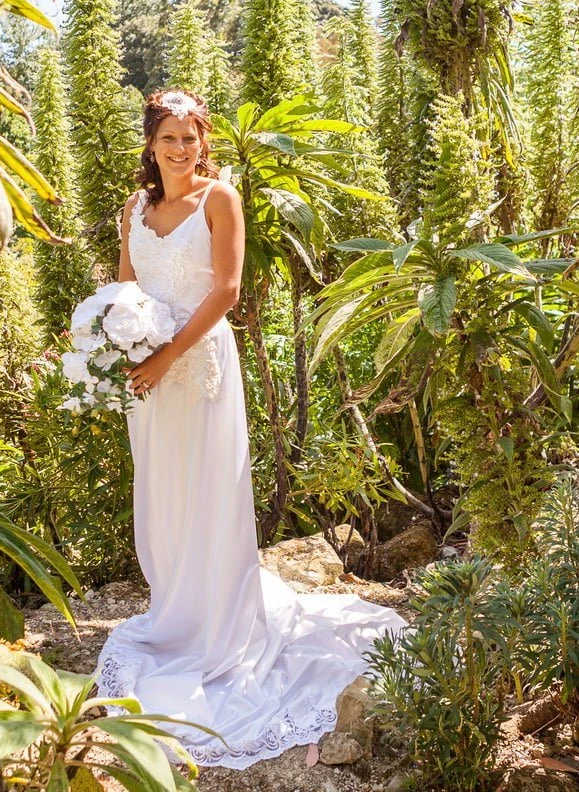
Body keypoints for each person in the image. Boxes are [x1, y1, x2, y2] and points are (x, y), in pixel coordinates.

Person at [92, 88, 407, 769]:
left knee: (209, 491)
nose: (182, 149)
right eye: (170, 138)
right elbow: (124, 289)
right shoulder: (134, 208)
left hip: (199, 364)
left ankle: (218, 627)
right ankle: (175, 612)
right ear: (150, 143)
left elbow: (227, 291)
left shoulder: (220, 200)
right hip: (147, 371)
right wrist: (114, 343)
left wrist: (168, 355)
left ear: (204, 142)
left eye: (191, 137)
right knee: (162, 491)